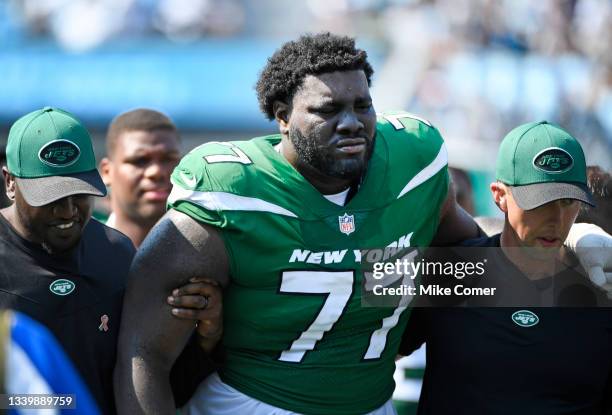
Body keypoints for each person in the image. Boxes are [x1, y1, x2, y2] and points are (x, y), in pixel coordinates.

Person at [114, 32, 482, 415]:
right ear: (283, 117)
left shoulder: (413, 167)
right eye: (328, 110)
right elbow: (144, 353)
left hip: (373, 404)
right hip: (252, 404)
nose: (351, 123)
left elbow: (473, 270)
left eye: (362, 106)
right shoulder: (233, 193)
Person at [0, 107, 219, 414]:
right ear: (10, 183)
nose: (67, 211)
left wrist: (206, 335)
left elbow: (159, 384)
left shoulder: (116, 252)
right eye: (49, 198)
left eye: (79, 194)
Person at [401, 121, 612, 414]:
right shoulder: (448, 271)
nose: (555, 219)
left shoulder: (603, 289)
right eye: (540, 202)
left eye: (567, 202)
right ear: (499, 195)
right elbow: (355, 351)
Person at [99, 108, 181, 247]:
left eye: (168, 159)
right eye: (140, 160)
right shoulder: (81, 256)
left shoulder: (213, 258)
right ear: (107, 172)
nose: (156, 172)